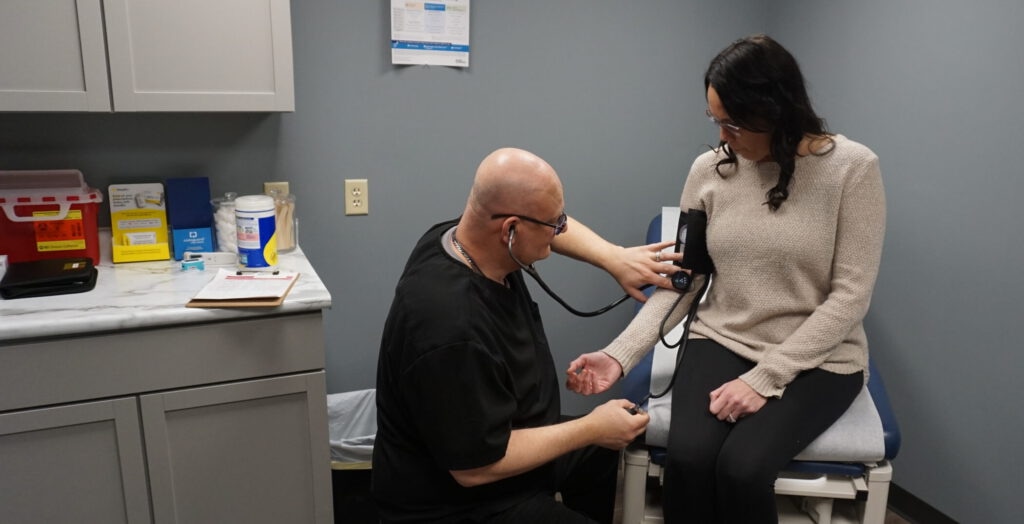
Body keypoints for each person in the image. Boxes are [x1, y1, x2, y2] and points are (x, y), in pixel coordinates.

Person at [564, 34, 886, 523]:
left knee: (742, 468)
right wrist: (619, 355)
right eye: (715, 121)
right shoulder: (709, 171)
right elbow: (683, 282)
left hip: (820, 358)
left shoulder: (852, 170)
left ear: (776, 110)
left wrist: (764, 379)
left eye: (732, 124)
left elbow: (849, 299)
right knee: (689, 461)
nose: (721, 137)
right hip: (722, 337)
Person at [371, 147, 652, 524]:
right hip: (456, 501)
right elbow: (475, 468)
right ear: (510, 231)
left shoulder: (458, 238)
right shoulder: (451, 324)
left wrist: (613, 258)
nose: (560, 234)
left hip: (505, 438)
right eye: (555, 225)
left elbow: (539, 221)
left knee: (598, 452)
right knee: (595, 436)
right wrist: (590, 427)